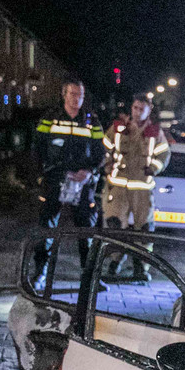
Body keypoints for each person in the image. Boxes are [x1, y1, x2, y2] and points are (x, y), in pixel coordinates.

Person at [31, 80, 105, 289]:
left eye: (80, 95)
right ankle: (40, 272)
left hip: (82, 183)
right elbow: (37, 148)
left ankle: (89, 276)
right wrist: (40, 176)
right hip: (54, 180)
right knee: (46, 228)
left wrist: (89, 172)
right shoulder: (50, 117)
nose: (76, 99)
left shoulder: (91, 120)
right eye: (72, 94)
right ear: (64, 94)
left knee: (86, 230)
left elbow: (100, 153)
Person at [102, 94, 169, 230]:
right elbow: (104, 148)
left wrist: (153, 169)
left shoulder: (155, 132)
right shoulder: (118, 128)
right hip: (118, 188)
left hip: (142, 189)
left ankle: (142, 245)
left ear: (149, 110)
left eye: (141, 109)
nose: (137, 112)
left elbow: (164, 155)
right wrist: (108, 166)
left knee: (144, 228)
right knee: (114, 225)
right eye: (135, 108)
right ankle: (116, 245)